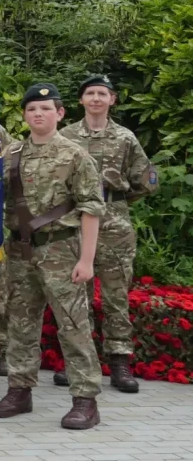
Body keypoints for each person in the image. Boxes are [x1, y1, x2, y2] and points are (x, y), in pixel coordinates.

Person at [0, 84, 104, 430]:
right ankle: (19, 390)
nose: (37, 114)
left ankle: (85, 399)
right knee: (20, 323)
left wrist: (86, 260)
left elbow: (91, 208)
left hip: (60, 248)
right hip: (20, 250)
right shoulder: (11, 154)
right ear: (24, 116)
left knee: (72, 325)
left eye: (45, 108)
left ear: (59, 113)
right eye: (31, 110)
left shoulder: (75, 155)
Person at [57, 74, 156, 394]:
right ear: (81, 100)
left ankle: (119, 362)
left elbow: (147, 181)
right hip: (74, 222)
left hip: (114, 223)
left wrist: (116, 198)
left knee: (116, 296)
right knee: (76, 296)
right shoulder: (66, 137)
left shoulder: (125, 138)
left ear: (112, 99)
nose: (96, 99)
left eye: (103, 93)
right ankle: (80, 362)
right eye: (90, 93)